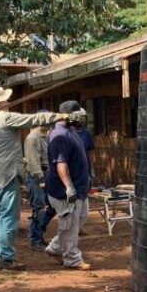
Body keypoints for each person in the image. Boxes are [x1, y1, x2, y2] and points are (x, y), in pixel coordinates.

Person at [0, 86, 64, 271]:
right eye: (6, 100)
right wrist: (61, 116)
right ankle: (6, 257)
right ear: (1, 102)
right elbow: (34, 119)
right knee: (8, 217)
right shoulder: (6, 117)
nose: (9, 102)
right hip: (6, 176)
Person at [44, 101, 91, 270]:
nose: (82, 118)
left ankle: (55, 248)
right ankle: (72, 259)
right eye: (78, 114)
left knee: (81, 217)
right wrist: (68, 186)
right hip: (64, 191)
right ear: (68, 116)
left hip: (80, 188)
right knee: (70, 225)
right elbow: (60, 164)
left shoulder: (71, 131)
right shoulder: (59, 135)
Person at [24, 125, 55, 250]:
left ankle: (39, 233)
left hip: (46, 173)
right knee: (38, 207)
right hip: (36, 175)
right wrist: (41, 178)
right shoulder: (33, 138)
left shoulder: (45, 136)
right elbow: (33, 160)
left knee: (52, 206)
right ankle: (35, 239)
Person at [74, 118, 96, 236]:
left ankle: (78, 228)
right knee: (75, 205)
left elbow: (90, 153)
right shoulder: (68, 134)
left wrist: (91, 169)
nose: (81, 121)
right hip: (74, 174)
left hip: (85, 172)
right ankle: (73, 230)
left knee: (84, 206)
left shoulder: (86, 134)